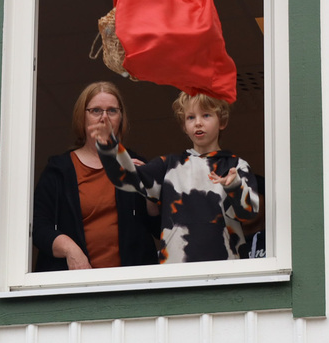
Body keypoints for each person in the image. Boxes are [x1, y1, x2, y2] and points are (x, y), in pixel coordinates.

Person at [92, 91, 261, 263]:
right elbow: (127, 179)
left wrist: (234, 186)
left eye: (206, 115)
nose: (198, 123)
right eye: (190, 117)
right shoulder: (168, 166)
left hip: (225, 268)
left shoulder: (235, 166)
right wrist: (109, 146)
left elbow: (249, 213)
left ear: (222, 122)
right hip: (177, 269)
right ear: (184, 126)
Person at [32, 82, 159, 271]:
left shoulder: (135, 165)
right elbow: (38, 226)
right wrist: (70, 249)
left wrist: (151, 194)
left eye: (112, 111)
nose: (104, 117)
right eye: (96, 111)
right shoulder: (59, 169)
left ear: (121, 118)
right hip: (74, 282)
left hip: (129, 282)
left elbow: (160, 229)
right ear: (82, 117)